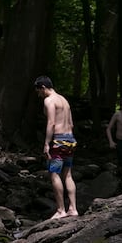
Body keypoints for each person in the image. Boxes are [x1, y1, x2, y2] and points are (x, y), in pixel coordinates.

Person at [35, 75, 78, 219]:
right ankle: (73, 208)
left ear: (43, 88)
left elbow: (51, 122)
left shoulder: (49, 100)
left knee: (54, 173)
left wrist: (47, 143)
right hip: (70, 139)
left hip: (58, 140)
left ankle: (61, 210)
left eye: (39, 91)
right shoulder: (64, 100)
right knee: (68, 174)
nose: (39, 95)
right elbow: (71, 123)